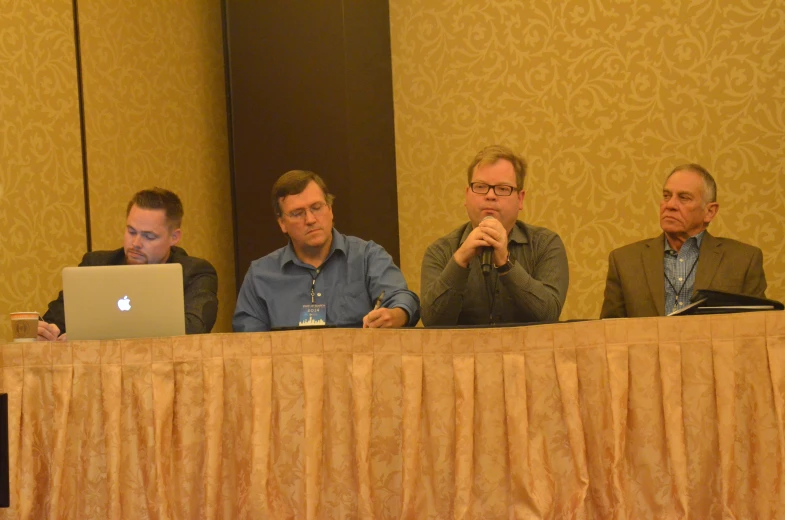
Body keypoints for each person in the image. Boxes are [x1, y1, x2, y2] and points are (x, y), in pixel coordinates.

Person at [233, 170, 420, 331]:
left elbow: (402, 299)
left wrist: (396, 315)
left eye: (316, 208)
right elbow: (250, 343)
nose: (310, 219)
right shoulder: (260, 275)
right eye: (297, 213)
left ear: (330, 209)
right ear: (282, 223)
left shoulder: (367, 256)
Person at [38, 188, 219, 340]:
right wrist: (45, 332)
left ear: (174, 237)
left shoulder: (195, 273)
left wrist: (99, 336)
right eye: (131, 232)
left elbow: (194, 330)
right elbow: (54, 320)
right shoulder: (95, 265)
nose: (136, 243)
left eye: (149, 236)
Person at [420, 145, 569, 326]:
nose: (490, 195)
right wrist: (459, 261)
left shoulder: (545, 244)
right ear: (467, 195)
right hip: (464, 353)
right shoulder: (440, 251)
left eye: (502, 188)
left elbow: (549, 314)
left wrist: (506, 263)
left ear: (520, 199)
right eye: (481, 187)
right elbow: (431, 323)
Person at [600, 164, 767, 318]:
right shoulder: (624, 262)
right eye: (666, 196)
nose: (670, 205)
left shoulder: (743, 261)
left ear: (709, 211)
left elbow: (756, 332)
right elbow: (609, 335)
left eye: (684, 198)